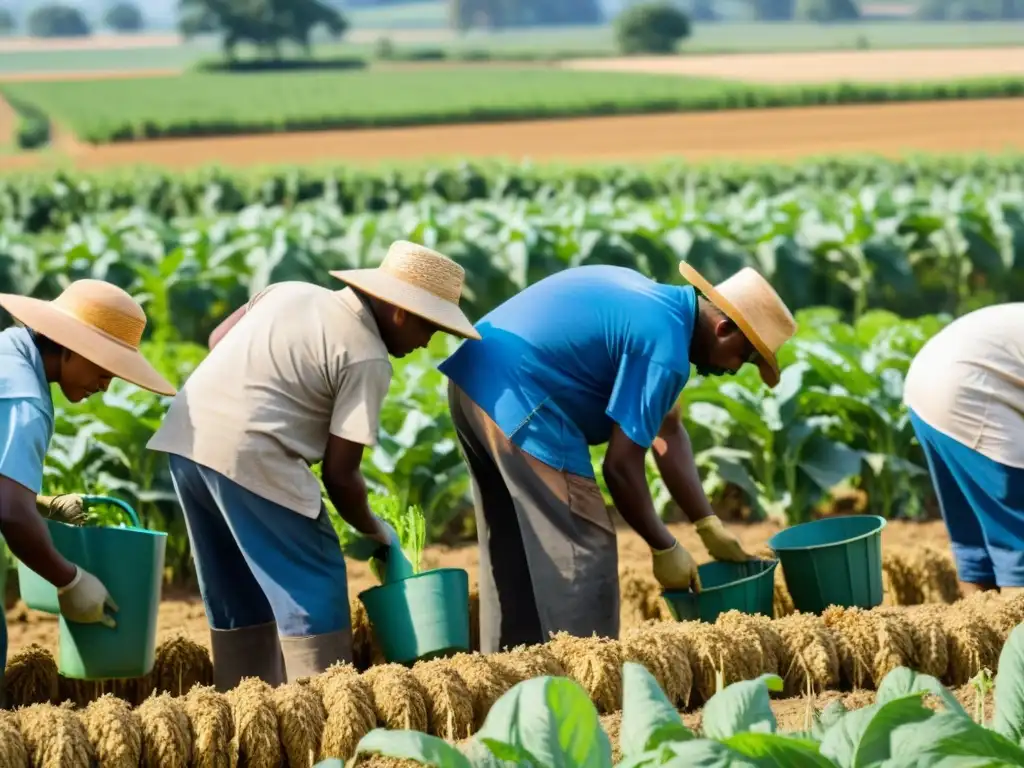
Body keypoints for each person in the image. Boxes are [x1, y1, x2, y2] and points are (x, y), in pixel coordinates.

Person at [146, 241, 479, 690]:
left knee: (237, 590)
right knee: (314, 579)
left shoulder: (288, 291)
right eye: (430, 330)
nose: (426, 344)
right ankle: (323, 711)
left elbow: (218, 340)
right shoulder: (367, 356)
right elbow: (341, 476)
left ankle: (247, 714)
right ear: (402, 313)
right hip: (253, 454)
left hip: (187, 440)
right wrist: (378, 531)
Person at [439, 261, 798, 653]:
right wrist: (663, 546)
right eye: (742, 358)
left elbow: (668, 428)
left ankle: (509, 678)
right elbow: (621, 468)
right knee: (584, 545)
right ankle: (587, 687)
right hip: (523, 398)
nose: (732, 370)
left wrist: (706, 523)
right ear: (724, 329)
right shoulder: (665, 347)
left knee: (515, 549)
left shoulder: (657, 306)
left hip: (472, 384)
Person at [0, 279, 177, 704]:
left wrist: (36, 502)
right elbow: (8, 512)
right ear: (68, 346)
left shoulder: (8, 348)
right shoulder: (25, 399)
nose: (104, 386)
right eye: (102, 371)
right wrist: (70, 579)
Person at [903, 303, 1024, 598]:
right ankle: (1017, 636)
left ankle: (982, 637)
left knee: (974, 541)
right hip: (974, 390)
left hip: (925, 384)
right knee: (1018, 540)